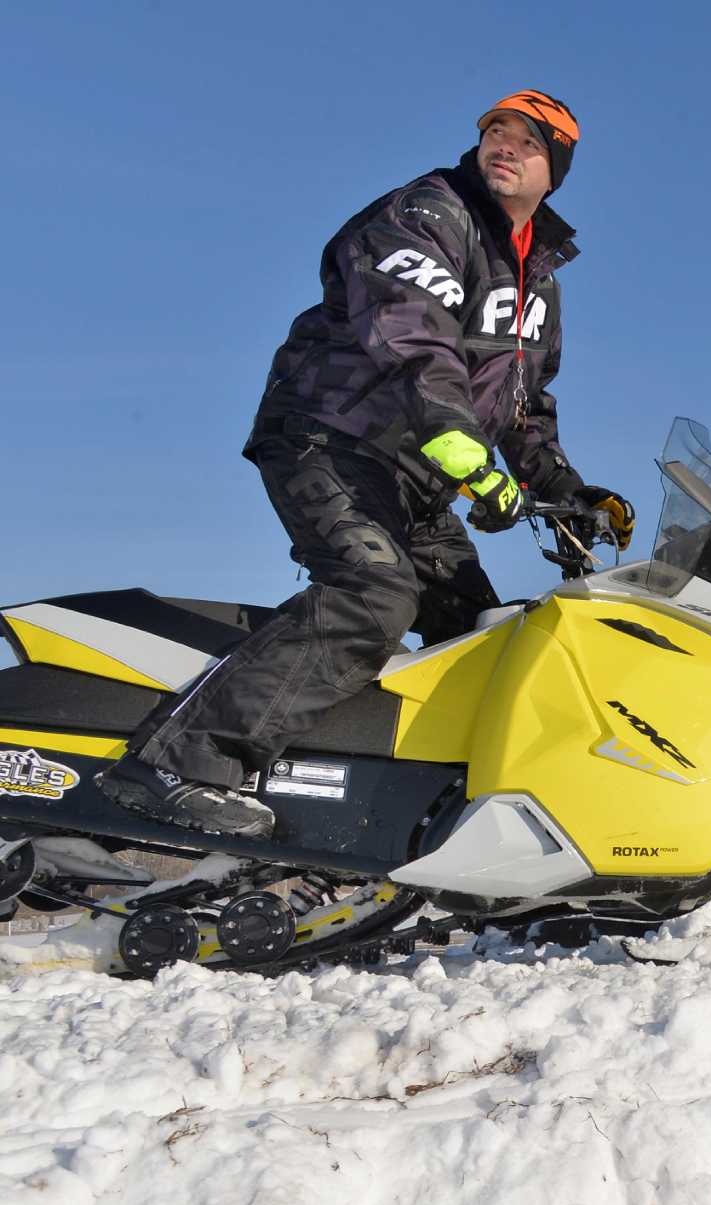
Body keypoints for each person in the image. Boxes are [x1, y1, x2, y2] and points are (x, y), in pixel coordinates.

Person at [99, 91, 634, 837]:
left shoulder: (537, 279)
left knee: (483, 632)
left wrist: (568, 491)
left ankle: (452, 824)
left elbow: (520, 405)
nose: (504, 147)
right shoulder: (426, 215)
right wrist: (470, 461)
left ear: (558, 170)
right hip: (330, 435)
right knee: (374, 591)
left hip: (415, 474)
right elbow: (414, 344)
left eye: (528, 142)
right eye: (495, 132)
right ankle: (175, 763)